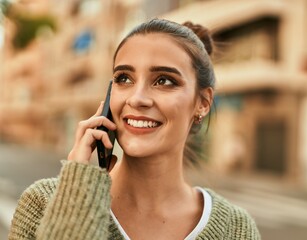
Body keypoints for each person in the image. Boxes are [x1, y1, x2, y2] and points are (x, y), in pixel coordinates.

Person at [8, 18, 261, 240]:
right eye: (124, 79)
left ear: (203, 103)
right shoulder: (42, 204)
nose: (137, 98)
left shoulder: (236, 228)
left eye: (164, 80)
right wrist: (78, 194)